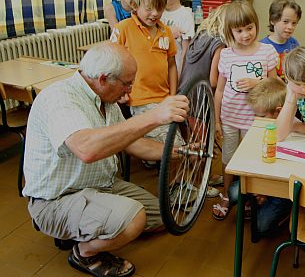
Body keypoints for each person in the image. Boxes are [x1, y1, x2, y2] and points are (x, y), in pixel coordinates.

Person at [22, 43, 189, 277]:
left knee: (163, 216)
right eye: (127, 83)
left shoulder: (106, 100)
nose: (129, 92)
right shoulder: (60, 98)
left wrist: (181, 153)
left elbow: (131, 142)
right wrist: (154, 116)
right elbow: (87, 149)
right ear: (103, 79)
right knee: (134, 220)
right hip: (57, 199)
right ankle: (84, 252)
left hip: (102, 186)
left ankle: (80, 229)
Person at [212, 1, 279, 220]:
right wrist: (217, 121)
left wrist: (257, 82)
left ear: (256, 25)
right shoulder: (226, 55)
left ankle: (250, 195)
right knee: (229, 159)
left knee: (253, 159)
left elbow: (275, 84)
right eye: (239, 31)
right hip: (230, 117)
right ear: (230, 31)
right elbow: (219, 90)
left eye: (249, 28)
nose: (245, 35)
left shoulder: (267, 51)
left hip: (257, 120)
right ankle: (226, 194)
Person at [113, 0, 179, 168]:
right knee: (175, 147)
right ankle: (166, 170)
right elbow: (113, 66)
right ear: (135, 5)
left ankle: (153, 157)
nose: (155, 13)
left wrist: (172, 95)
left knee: (179, 128)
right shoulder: (123, 29)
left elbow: (172, 64)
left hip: (164, 97)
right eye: (149, 8)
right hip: (140, 99)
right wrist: (121, 93)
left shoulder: (166, 32)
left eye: (160, 8)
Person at [229, 77, 293, 236]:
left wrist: (265, 190)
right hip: (262, 177)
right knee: (233, 193)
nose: (256, 120)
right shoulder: (261, 125)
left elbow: (286, 171)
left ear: (278, 111)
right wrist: (258, 189)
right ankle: (258, 199)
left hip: (281, 187)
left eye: (262, 116)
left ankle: (288, 208)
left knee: (261, 226)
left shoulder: (292, 128)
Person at [179, 3, 228, 197]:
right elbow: (214, 79)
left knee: (193, 140)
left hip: (186, 93)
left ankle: (204, 176)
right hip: (201, 99)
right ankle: (199, 184)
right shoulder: (219, 44)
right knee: (200, 145)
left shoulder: (200, 37)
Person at [158, 0, 195, 78]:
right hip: (158, 69)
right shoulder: (157, 12)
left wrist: (181, 74)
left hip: (174, 70)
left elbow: (185, 50)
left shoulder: (185, 15)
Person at [260, 0, 302, 81]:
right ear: (273, 20)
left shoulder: (294, 44)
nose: (290, 27)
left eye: (294, 23)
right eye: (285, 21)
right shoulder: (261, 47)